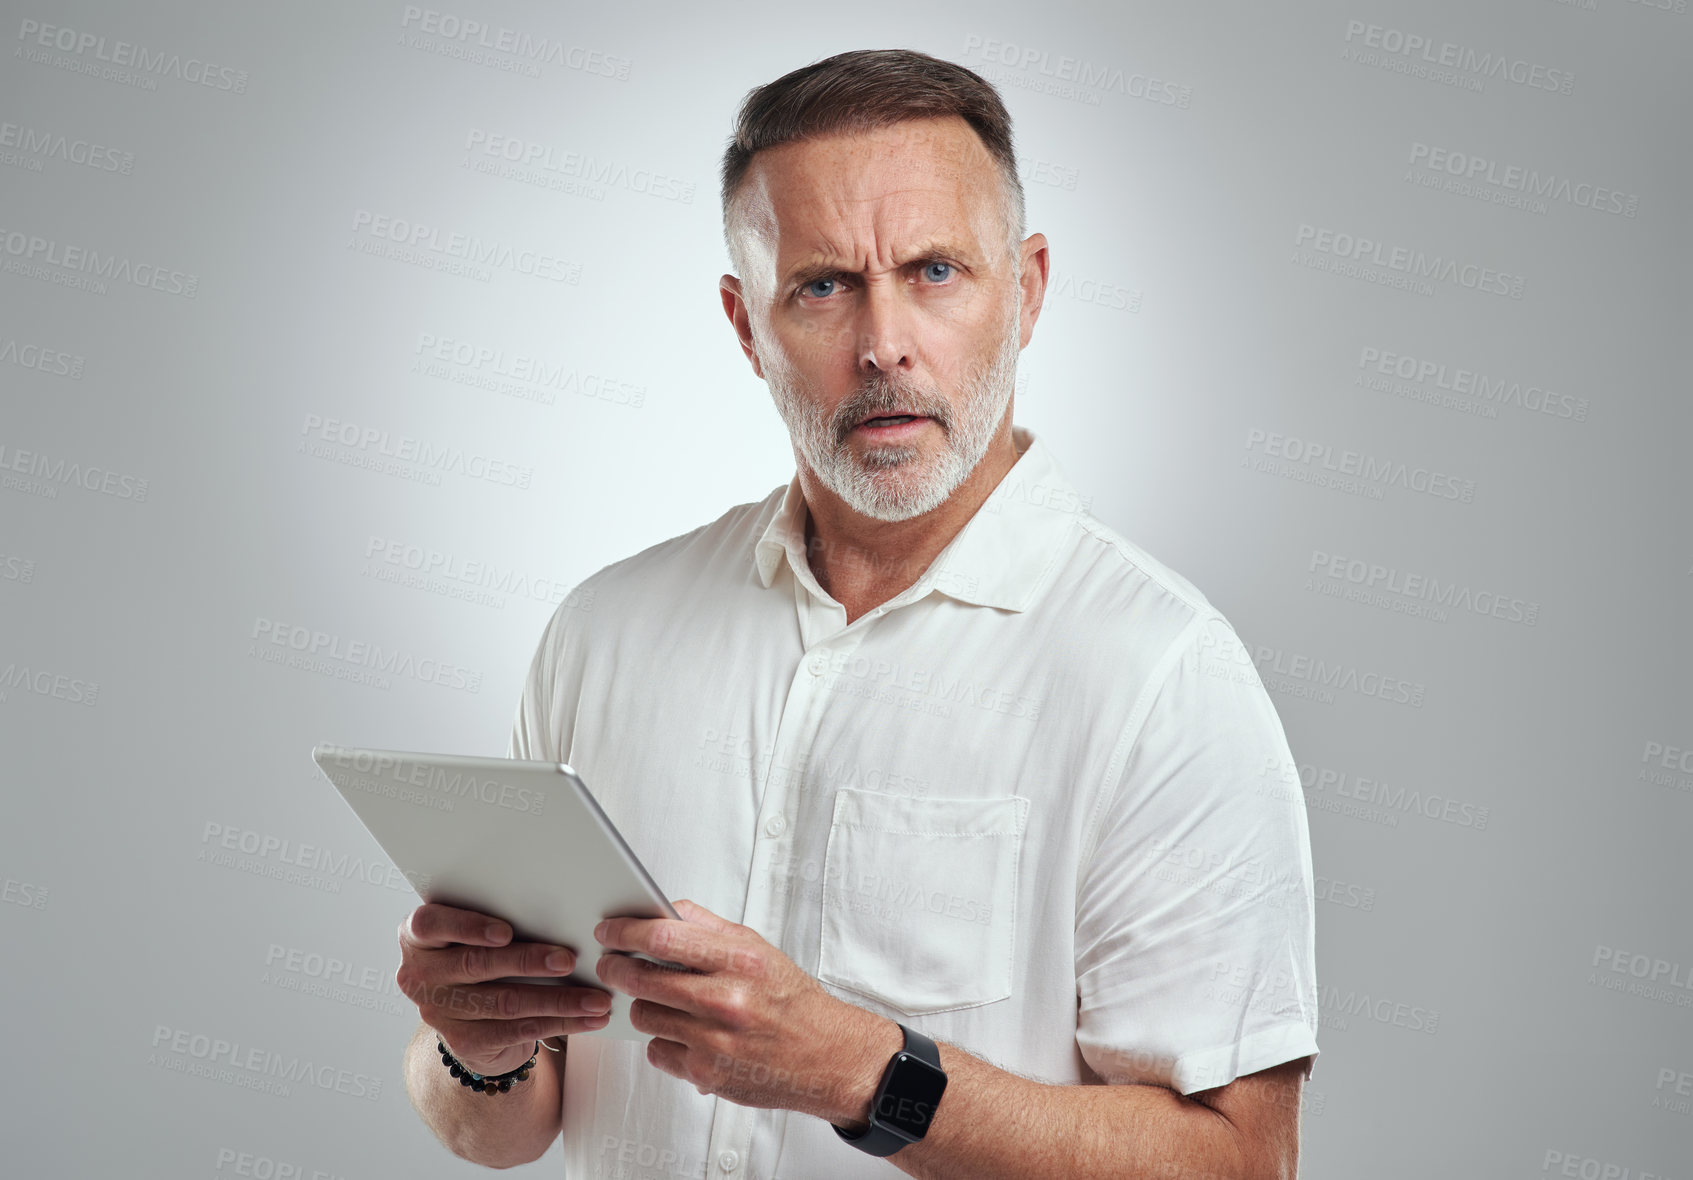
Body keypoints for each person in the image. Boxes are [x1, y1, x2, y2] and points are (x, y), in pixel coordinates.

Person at [396, 48, 1318, 1178]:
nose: (883, 341)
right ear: (746, 327)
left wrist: (868, 1076)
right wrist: (473, 1046)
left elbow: (1241, 1164)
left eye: (934, 270)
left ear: (1024, 291)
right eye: (823, 284)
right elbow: (499, 1125)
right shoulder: (604, 632)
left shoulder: (1162, 675)